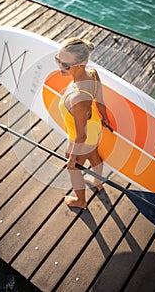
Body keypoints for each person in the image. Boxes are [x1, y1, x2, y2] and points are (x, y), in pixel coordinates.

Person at [56, 37, 110, 208]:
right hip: (93, 124)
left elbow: (81, 136)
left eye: (65, 64)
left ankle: (80, 201)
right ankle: (98, 182)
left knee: (73, 168)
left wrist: (72, 159)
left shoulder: (78, 97)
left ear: (81, 63)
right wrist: (105, 117)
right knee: (93, 154)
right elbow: (100, 101)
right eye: (58, 60)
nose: (60, 67)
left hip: (82, 135)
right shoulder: (92, 73)